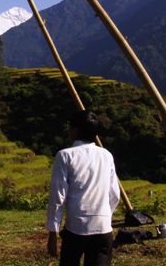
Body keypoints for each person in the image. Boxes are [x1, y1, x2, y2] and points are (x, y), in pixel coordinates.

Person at [46, 110, 120, 266]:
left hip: (76, 229)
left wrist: (53, 232)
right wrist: (104, 215)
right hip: (103, 229)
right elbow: (114, 195)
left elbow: (57, 196)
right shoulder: (106, 155)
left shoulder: (65, 155)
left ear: (75, 130)